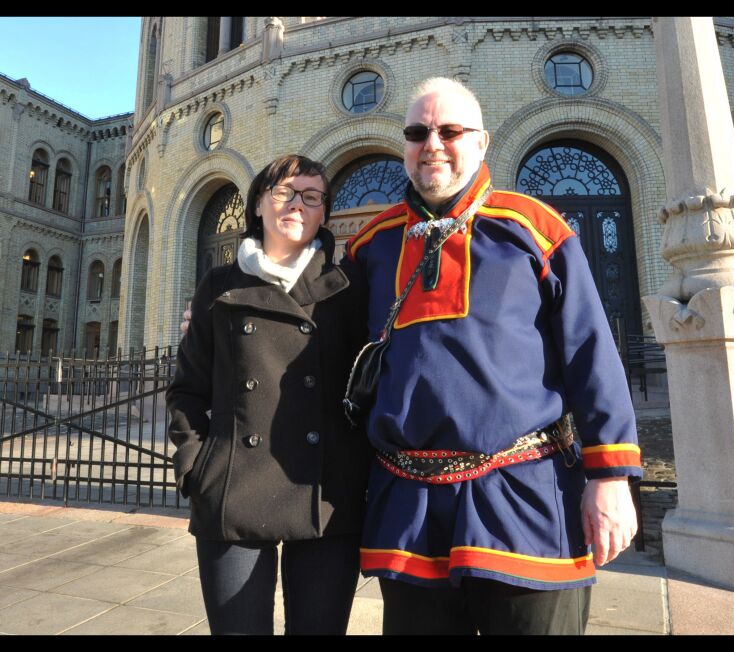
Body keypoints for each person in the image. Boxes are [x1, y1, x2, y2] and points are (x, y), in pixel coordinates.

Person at [345, 77, 642, 635]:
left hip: (525, 496)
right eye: (417, 132)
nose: (432, 143)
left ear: (481, 143)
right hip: (408, 508)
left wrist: (611, 478)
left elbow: (591, 354)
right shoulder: (371, 244)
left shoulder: (535, 229)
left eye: (450, 131)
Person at [167, 154, 370, 635]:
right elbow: (187, 389)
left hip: (325, 497)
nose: (297, 204)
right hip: (234, 491)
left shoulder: (349, 286)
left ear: (324, 213)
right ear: (258, 204)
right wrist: (198, 469)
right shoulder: (219, 286)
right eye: (283, 192)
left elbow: (370, 381)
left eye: (311, 196)